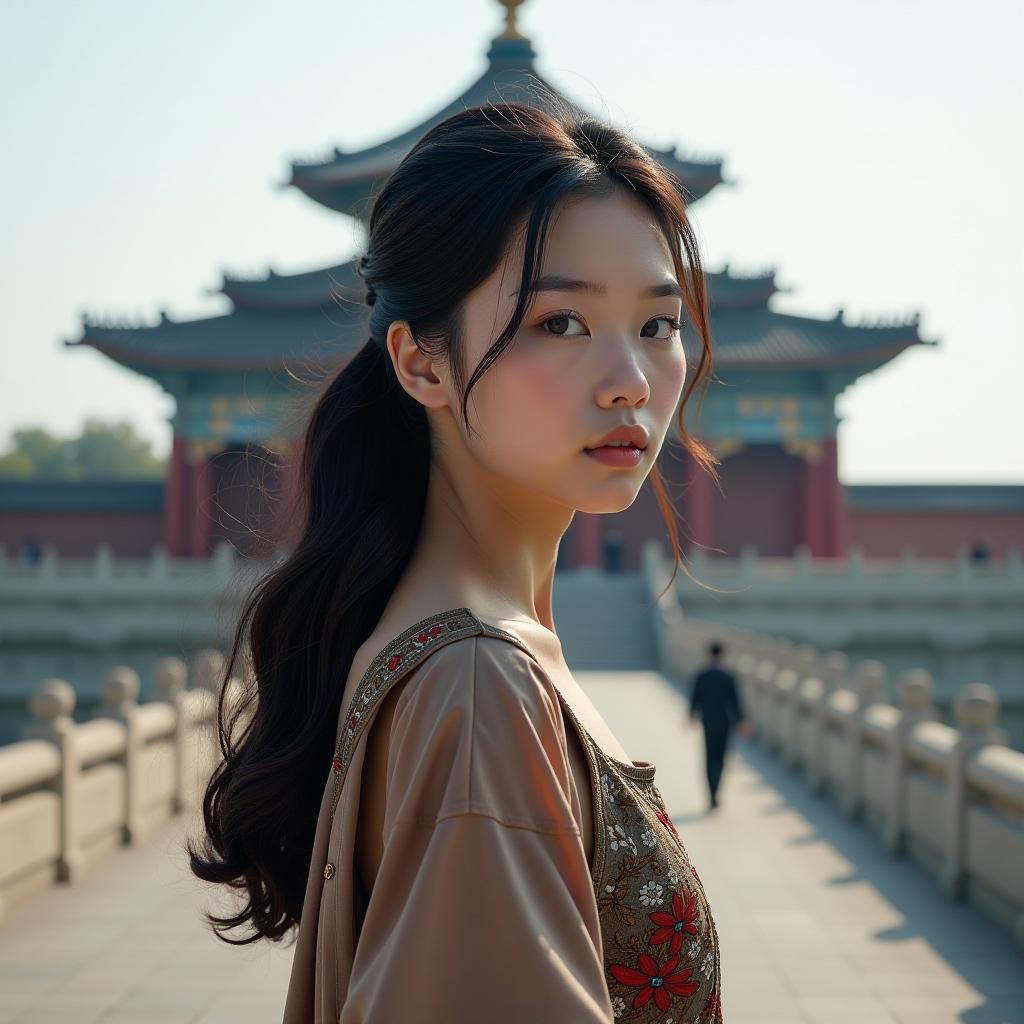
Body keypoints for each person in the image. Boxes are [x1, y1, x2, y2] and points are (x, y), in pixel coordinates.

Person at [188, 98, 725, 1023]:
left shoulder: (463, 653)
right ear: (421, 364)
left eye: (657, 325)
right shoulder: (480, 686)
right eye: (560, 322)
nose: (631, 380)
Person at [688, 641, 751, 811]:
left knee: (709, 758)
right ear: (722, 656)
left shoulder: (702, 675)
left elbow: (695, 698)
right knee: (721, 759)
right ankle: (716, 790)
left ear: (709, 655)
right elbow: (736, 702)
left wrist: (690, 716)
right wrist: (741, 721)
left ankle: (711, 793)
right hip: (724, 723)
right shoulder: (728, 676)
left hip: (708, 722)